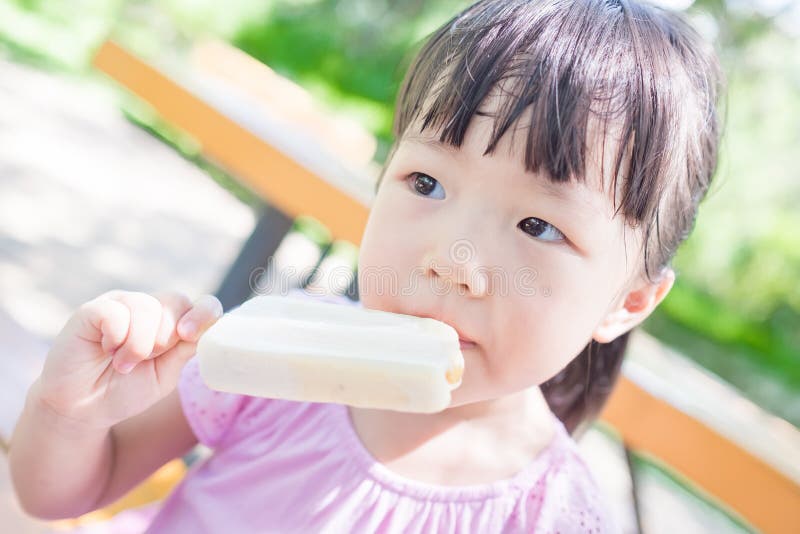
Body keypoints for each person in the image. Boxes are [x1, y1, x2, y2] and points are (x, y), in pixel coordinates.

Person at [9, 0, 724, 531]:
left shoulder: (550, 516)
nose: (453, 260)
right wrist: (69, 411)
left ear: (626, 303)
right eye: (426, 184)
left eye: (539, 225)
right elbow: (61, 494)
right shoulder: (280, 353)